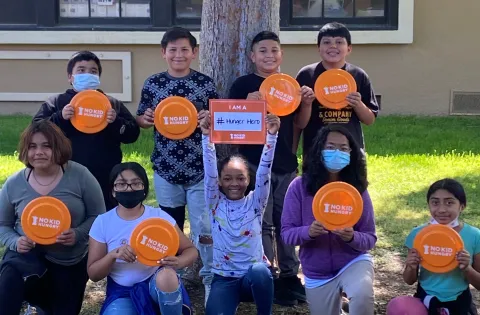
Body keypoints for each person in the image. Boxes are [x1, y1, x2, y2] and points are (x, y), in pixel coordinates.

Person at [228, 30, 313, 306]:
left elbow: (300, 123)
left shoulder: (290, 85)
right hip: (254, 164)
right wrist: (245, 105)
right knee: (262, 223)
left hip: (286, 164)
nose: (269, 55)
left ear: (281, 55)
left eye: (274, 50)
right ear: (252, 56)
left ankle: (290, 276)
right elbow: (228, 124)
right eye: (262, 50)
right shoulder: (243, 85)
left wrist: (307, 102)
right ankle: (269, 275)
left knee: (286, 222)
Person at [136, 27, 218, 302]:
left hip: (199, 170)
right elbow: (141, 119)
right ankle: (173, 279)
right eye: (172, 50)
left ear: (194, 53)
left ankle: (209, 278)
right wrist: (145, 118)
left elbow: (217, 123)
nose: (179, 55)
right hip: (166, 169)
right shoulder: (153, 83)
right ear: (163, 53)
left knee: (204, 228)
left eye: (185, 49)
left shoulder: (205, 84)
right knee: (169, 226)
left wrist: (209, 118)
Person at [0, 120, 106, 315]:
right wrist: (16, 241)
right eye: (32, 146)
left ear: (58, 148)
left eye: (46, 146)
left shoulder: (80, 175)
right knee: (8, 280)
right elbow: (2, 225)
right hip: (26, 257)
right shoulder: (14, 183)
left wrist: (78, 233)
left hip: (68, 259)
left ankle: (41, 308)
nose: (38, 152)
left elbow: (98, 216)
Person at [281, 125, 377, 314]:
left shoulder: (357, 189)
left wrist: (352, 237)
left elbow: (370, 238)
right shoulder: (299, 186)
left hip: (353, 261)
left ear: (351, 153)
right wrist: (308, 232)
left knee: (363, 294)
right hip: (318, 272)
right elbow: (287, 234)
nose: (337, 152)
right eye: (331, 147)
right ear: (319, 150)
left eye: (343, 148)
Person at [33, 50, 140, 211]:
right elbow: (36, 130)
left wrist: (115, 122)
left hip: (105, 175)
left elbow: (132, 134)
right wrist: (60, 117)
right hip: (65, 173)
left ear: (98, 77)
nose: (87, 74)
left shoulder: (111, 103)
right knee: (70, 214)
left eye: (93, 71)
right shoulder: (57, 102)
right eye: (81, 70)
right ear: (70, 77)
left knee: (103, 216)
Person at [87, 162, 198, 315]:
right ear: (113, 191)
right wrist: (113, 255)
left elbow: (191, 250)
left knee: (167, 276)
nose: (129, 188)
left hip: (156, 285)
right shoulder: (103, 222)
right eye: (121, 184)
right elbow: (93, 274)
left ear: (144, 188)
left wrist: (179, 262)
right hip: (122, 292)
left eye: (136, 183)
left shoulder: (159, 217)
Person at [199, 110, 279, 315]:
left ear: (248, 180)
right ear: (220, 181)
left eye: (240, 178)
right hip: (224, 279)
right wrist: (206, 137)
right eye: (227, 178)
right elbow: (209, 172)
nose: (234, 183)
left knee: (261, 271)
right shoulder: (214, 202)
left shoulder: (255, 202)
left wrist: (271, 136)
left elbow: (264, 171)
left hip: (252, 278)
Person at [386, 179, 480, 315]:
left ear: (462, 206)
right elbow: (409, 280)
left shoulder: (474, 235)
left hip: (459, 303)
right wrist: (411, 266)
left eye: (449, 203)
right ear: (428, 204)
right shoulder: (418, 235)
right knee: (398, 306)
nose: (441, 210)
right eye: (435, 202)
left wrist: (467, 268)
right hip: (426, 300)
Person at [295, 22, 379, 159]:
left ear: (349, 48)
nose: (333, 46)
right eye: (326, 42)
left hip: (350, 151)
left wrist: (358, 104)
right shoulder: (306, 75)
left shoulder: (358, 75)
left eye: (339, 42)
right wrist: (306, 103)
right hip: (315, 149)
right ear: (318, 48)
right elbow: (299, 123)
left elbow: (369, 120)